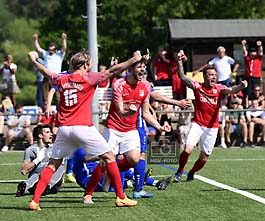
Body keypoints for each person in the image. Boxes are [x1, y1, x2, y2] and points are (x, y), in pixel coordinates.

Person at [27, 49, 142, 210]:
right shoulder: (89, 78)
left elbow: (46, 72)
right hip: (82, 126)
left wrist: (33, 61)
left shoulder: (61, 78)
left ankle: (35, 201)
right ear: (86, 64)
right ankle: (121, 197)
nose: (91, 66)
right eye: (90, 64)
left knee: (53, 164)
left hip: (65, 129)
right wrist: (133, 59)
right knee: (109, 157)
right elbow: (113, 71)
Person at [174, 50, 247, 182]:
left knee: (204, 158)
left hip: (212, 128)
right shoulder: (197, 87)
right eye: (210, 75)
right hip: (197, 124)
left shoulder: (219, 88)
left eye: (215, 75)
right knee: (187, 150)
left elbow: (231, 90)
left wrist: (241, 86)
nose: (213, 77)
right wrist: (179, 61)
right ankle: (180, 171)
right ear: (204, 77)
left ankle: (192, 172)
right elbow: (182, 76)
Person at [72, 148, 172, 192]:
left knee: (117, 167)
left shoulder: (86, 143)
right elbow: (86, 158)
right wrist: (107, 156)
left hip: (96, 177)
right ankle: (139, 181)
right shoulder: (78, 147)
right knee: (116, 165)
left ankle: (156, 183)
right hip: (88, 180)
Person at [16, 124, 65, 197]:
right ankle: (24, 187)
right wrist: (38, 159)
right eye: (47, 132)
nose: (51, 134)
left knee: (61, 167)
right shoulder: (31, 150)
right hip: (35, 183)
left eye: (50, 132)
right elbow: (24, 170)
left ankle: (47, 186)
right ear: (40, 136)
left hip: (52, 185)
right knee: (37, 174)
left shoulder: (55, 148)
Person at [32, 33, 67, 105]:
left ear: (56, 50)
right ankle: (46, 110)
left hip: (56, 77)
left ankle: (59, 110)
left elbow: (64, 48)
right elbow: (38, 48)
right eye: (50, 49)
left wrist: (64, 39)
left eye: (53, 49)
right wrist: (35, 40)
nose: (51, 51)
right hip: (47, 76)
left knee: (58, 96)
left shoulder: (59, 54)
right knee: (45, 95)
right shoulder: (46, 53)